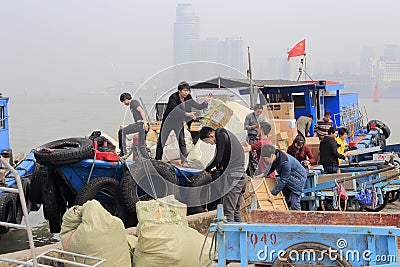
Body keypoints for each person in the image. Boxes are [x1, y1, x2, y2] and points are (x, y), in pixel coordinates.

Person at [155, 81, 212, 166]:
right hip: (168, 122)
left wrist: (206, 102)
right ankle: (158, 160)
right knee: (162, 141)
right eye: (184, 90)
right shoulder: (173, 97)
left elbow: (198, 106)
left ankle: (184, 161)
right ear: (179, 91)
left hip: (178, 122)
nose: (186, 92)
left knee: (182, 141)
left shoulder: (188, 97)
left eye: (187, 90)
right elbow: (175, 110)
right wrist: (187, 114)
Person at [200, 127, 246, 222]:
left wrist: (207, 169)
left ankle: (230, 236)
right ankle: (239, 235)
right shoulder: (225, 134)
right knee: (236, 210)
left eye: (209, 142)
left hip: (234, 176)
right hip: (241, 175)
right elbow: (219, 159)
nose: (210, 144)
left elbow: (218, 158)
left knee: (228, 211)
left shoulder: (220, 135)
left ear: (211, 136)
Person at [254, 144, 307, 210]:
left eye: (265, 159)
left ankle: (299, 218)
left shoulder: (285, 162)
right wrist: (262, 175)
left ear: (272, 156)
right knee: (285, 199)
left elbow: (284, 180)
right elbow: (272, 167)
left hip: (298, 179)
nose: (265, 161)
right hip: (289, 178)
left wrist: (273, 194)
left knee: (295, 204)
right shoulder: (276, 155)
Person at [119, 92, 149, 159]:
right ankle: (148, 160)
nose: (124, 104)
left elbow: (142, 111)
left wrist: (145, 122)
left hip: (141, 124)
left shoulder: (133, 102)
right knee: (141, 146)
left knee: (122, 131)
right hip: (140, 125)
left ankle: (124, 153)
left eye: (123, 102)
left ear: (125, 99)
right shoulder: (132, 105)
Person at [244, 104, 266, 171]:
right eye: (257, 112)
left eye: (260, 112)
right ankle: (254, 170)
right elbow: (245, 127)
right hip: (252, 137)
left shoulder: (262, 117)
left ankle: (260, 169)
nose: (259, 113)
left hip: (259, 137)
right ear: (254, 110)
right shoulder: (249, 116)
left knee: (260, 154)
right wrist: (254, 127)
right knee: (253, 155)